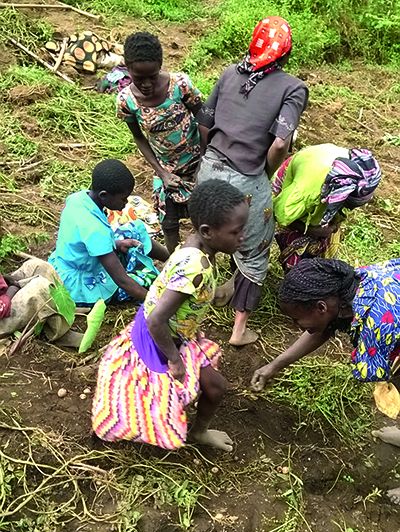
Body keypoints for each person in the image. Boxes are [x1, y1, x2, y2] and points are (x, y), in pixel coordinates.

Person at [92, 180, 249, 451]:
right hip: (160, 337)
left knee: (214, 387)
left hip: (167, 329)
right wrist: (175, 360)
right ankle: (197, 432)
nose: (242, 237)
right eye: (236, 232)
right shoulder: (195, 269)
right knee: (204, 389)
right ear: (207, 231)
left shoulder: (193, 245)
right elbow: (157, 320)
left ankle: (199, 431)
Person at [196, 16, 308, 346]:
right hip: (246, 179)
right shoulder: (293, 88)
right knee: (257, 247)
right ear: (286, 56)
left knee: (207, 236)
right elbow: (279, 144)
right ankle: (239, 330)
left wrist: (209, 160)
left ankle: (198, 298)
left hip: (209, 169)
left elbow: (204, 123)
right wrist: (265, 173)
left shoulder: (231, 73)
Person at [251, 258, 400, 502]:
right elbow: (320, 330)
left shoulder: (377, 323)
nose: (296, 326)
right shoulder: (347, 292)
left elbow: (386, 372)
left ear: (321, 308)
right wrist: (273, 366)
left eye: (297, 320)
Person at [117, 31, 203, 253]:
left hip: (197, 164)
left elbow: (204, 119)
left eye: (152, 77)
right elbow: (139, 137)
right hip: (165, 169)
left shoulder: (180, 85)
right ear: (127, 68)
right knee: (168, 223)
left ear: (161, 66)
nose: (146, 84)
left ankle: (202, 264)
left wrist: (205, 159)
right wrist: (162, 172)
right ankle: (173, 264)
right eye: (139, 78)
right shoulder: (127, 100)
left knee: (202, 221)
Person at [49, 159, 168, 307]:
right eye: (123, 199)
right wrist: (154, 301)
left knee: (134, 230)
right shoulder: (95, 230)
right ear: (104, 195)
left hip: (74, 257)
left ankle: (172, 258)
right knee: (145, 280)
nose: (126, 203)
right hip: (81, 282)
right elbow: (122, 280)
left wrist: (116, 244)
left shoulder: (78, 198)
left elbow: (83, 238)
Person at [273, 144, 381, 271]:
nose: (350, 209)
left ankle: (322, 269)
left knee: (328, 241)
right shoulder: (308, 191)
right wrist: (313, 231)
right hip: (290, 191)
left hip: (320, 181)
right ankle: (298, 277)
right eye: (348, 204)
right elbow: (279, 215)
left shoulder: (351, 172)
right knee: (299, 254)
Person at [0, 257, 83, 347]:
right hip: (3, 313)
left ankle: (64, 309)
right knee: (39, 288)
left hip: (4, 293)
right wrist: (12, 289)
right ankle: (59, 333)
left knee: (39, 267)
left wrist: (8, 281)